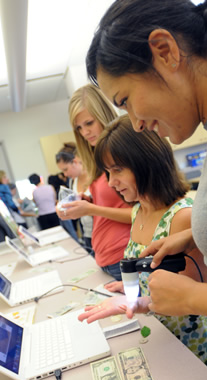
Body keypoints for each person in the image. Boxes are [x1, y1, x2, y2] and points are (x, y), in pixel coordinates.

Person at [84, 1, 207, 380]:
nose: (136, 123)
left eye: (125, 101)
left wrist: (193, 296)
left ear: (165, 51)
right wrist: (195, 233)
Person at [78, 114, 207, 380]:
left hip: (195, 354)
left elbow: (188, 300)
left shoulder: (181, 217)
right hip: (161, 340)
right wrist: (132, 287)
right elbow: (154, 274)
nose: (111, 183)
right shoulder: (138, 211)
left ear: (146, 163)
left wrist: (136, 302)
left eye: (117, 170)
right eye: (107, 173)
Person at [57, 83, 132, 280]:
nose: (85, 133)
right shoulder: (98, 157)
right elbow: (116, 202)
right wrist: (89, 203)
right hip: (106, 259)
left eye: (89, 123)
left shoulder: (124, 151)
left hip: (125, 256)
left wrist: (91, 209)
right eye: (79, 128)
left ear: (103, 115)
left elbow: (143, 213)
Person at [56, 142, 93, 253]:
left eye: (65, 169)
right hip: (87, 233)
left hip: (104, 232)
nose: (65, 174)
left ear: (75, 162)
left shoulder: (94, 176)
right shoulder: (73, 181)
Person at [47, 173, 79, 243]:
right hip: (67, 210)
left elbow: (64, 201)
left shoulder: (61, 189)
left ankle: (76, 243)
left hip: (66, 211)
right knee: (71, 229)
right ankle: (75, 242)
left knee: (70, 229)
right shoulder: (62, 187)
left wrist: (57, 202)